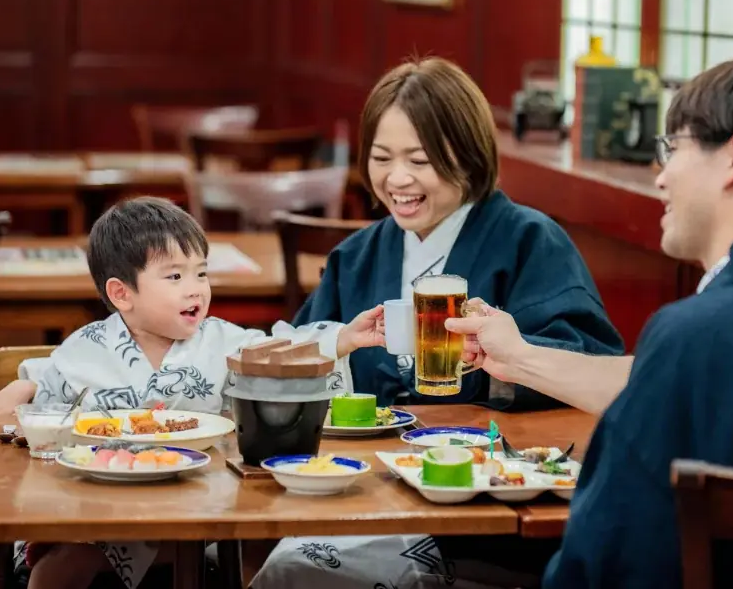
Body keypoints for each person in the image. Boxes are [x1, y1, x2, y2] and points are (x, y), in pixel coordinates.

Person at [445, 52, 733, 589]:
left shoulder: (695, 330)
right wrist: (517, 357)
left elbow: (607, 551)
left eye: (673, 147)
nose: (660, 175)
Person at [249, 56, 625, 588]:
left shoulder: (528, 242)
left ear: (468, 158)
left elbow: (592, 362)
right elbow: (298, 367)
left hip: (485, 499)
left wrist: (498, 366)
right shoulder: (357, 256)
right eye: (381, 158)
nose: (396, 179)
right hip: (365, 490)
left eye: (419, 161)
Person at [0, 196, 385, 589]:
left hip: (202, 497)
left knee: (255, 533)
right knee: (61, 562)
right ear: (122, 294)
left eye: (201, 273)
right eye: (175, 277)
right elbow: (29, 405)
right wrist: (17, 394)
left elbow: (281, 350)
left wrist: (343, 339)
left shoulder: (223, 340)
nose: (196, 289)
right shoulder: (87, 347)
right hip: (105, 496)